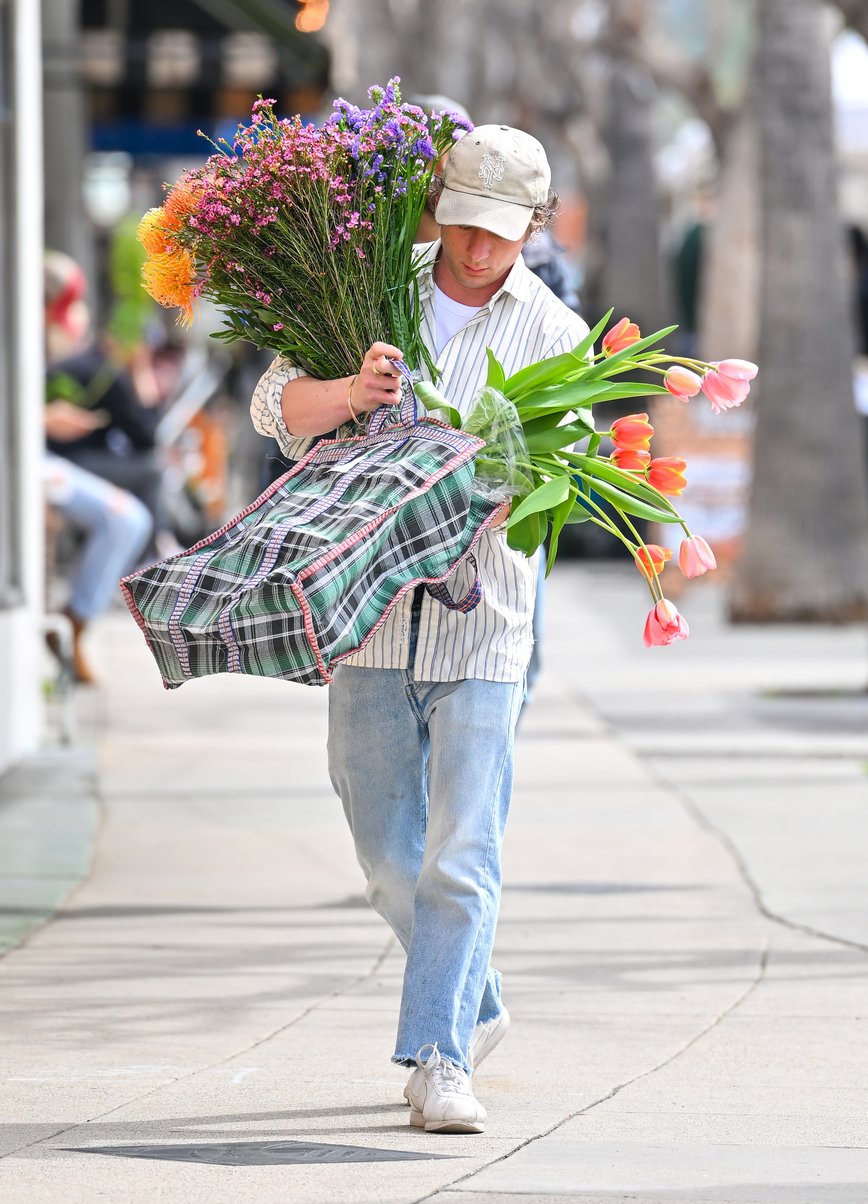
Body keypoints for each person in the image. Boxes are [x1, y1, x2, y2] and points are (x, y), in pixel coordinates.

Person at [250, 126, 589, 1133]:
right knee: (387, 859)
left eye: (501, 231)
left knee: (461, 852)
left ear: (535, 226)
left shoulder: (555, 333)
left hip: (483, 628)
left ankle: (441, 1060)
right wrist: (352, 393)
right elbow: (275, 409)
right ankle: (475, 999)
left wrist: (493, 487)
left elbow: (558, 483)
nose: (477, 249)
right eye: (464, 223)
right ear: (438, 204)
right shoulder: (366, 294)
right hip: (367, 620)